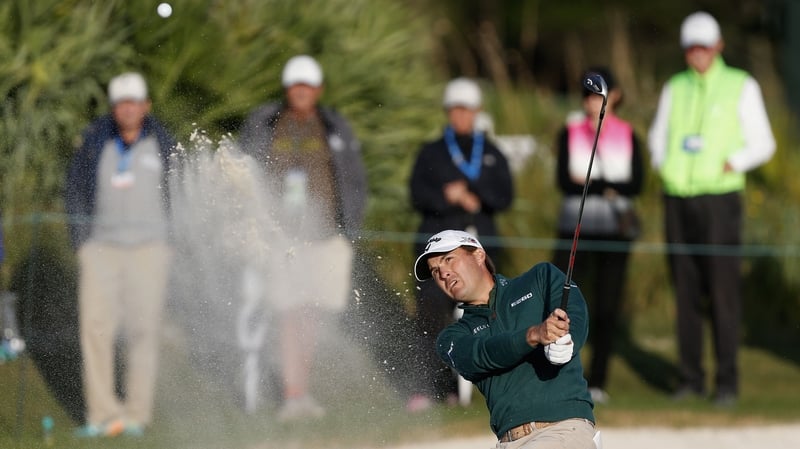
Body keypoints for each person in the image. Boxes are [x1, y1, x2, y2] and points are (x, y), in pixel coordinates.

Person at [648, 11, 776, 407]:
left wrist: (732, 163)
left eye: (704, 46)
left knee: (723, 293)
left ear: (718, 46)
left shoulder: (741, 84)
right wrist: (664, 165)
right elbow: (658, 136)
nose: (698, 53)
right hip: (678, 198)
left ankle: (726, 383)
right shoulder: (675, 86)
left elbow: (763, 143)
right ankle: (690, 379)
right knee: (685, 291)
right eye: (691, 47)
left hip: (720, 200)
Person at [239, 55, 367, 422]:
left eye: (307, 86)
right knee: (289, 312)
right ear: (286, 89)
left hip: (325, 237)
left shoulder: (333, 126)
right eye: (295, 85)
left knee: (312, 314)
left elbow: (355, 179)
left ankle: (301, 390)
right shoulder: (265, 124)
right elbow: (244, 172)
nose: (301, 91)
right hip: (281, 237)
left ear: (318, 90)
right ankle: (292, 395)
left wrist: (350, 226)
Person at [65, 72, 177, 437]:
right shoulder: (95, 141)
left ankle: (136, 415)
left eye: (133, 103)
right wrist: (81, 243)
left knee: (143, 330)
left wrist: (172, 243)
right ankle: (102, 415)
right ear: (113, 108)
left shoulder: (163, 143)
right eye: (120, 104)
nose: (127, 110)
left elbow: (179, 191)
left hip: (150, 249)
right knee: (95, 329)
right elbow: (75, 189)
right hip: (102, 248)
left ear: (146, 106)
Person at [414, 230, 597, 448]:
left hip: (564, 429)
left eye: (448, 259)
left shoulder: (541, 278)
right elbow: (483, 353)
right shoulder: (451, 338)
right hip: (508, 442)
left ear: (479, 255)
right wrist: (534, 335)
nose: (443, 273)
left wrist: (566, 339)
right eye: (435, 271)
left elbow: (575, 314)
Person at [408, 77, 514, 411]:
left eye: (466, 109)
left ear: (477, 111)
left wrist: (474, 195)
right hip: (438, 248)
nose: (461, 115)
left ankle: (490, 384)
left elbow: (505, 196)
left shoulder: (492, 152)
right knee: (431, 314)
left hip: (481, 247)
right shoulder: (431, 152)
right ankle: (435, 388)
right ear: (447, 112)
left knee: (488, 314)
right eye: (455, 109)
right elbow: (416, 195)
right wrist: (446, 197)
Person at [553, 67, 644, 405]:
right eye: (587, 95)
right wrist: (606, 187)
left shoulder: (628, 133)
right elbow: (564, 181)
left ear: (614, 96)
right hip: (574, 228)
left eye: (598, 95)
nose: (592, 101)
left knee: (607, 304)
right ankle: (559, 372)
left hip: (614, 231)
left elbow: (636, 184)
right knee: (562, 302)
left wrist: (592, 184)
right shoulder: (570, 131)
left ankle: (599, 379)